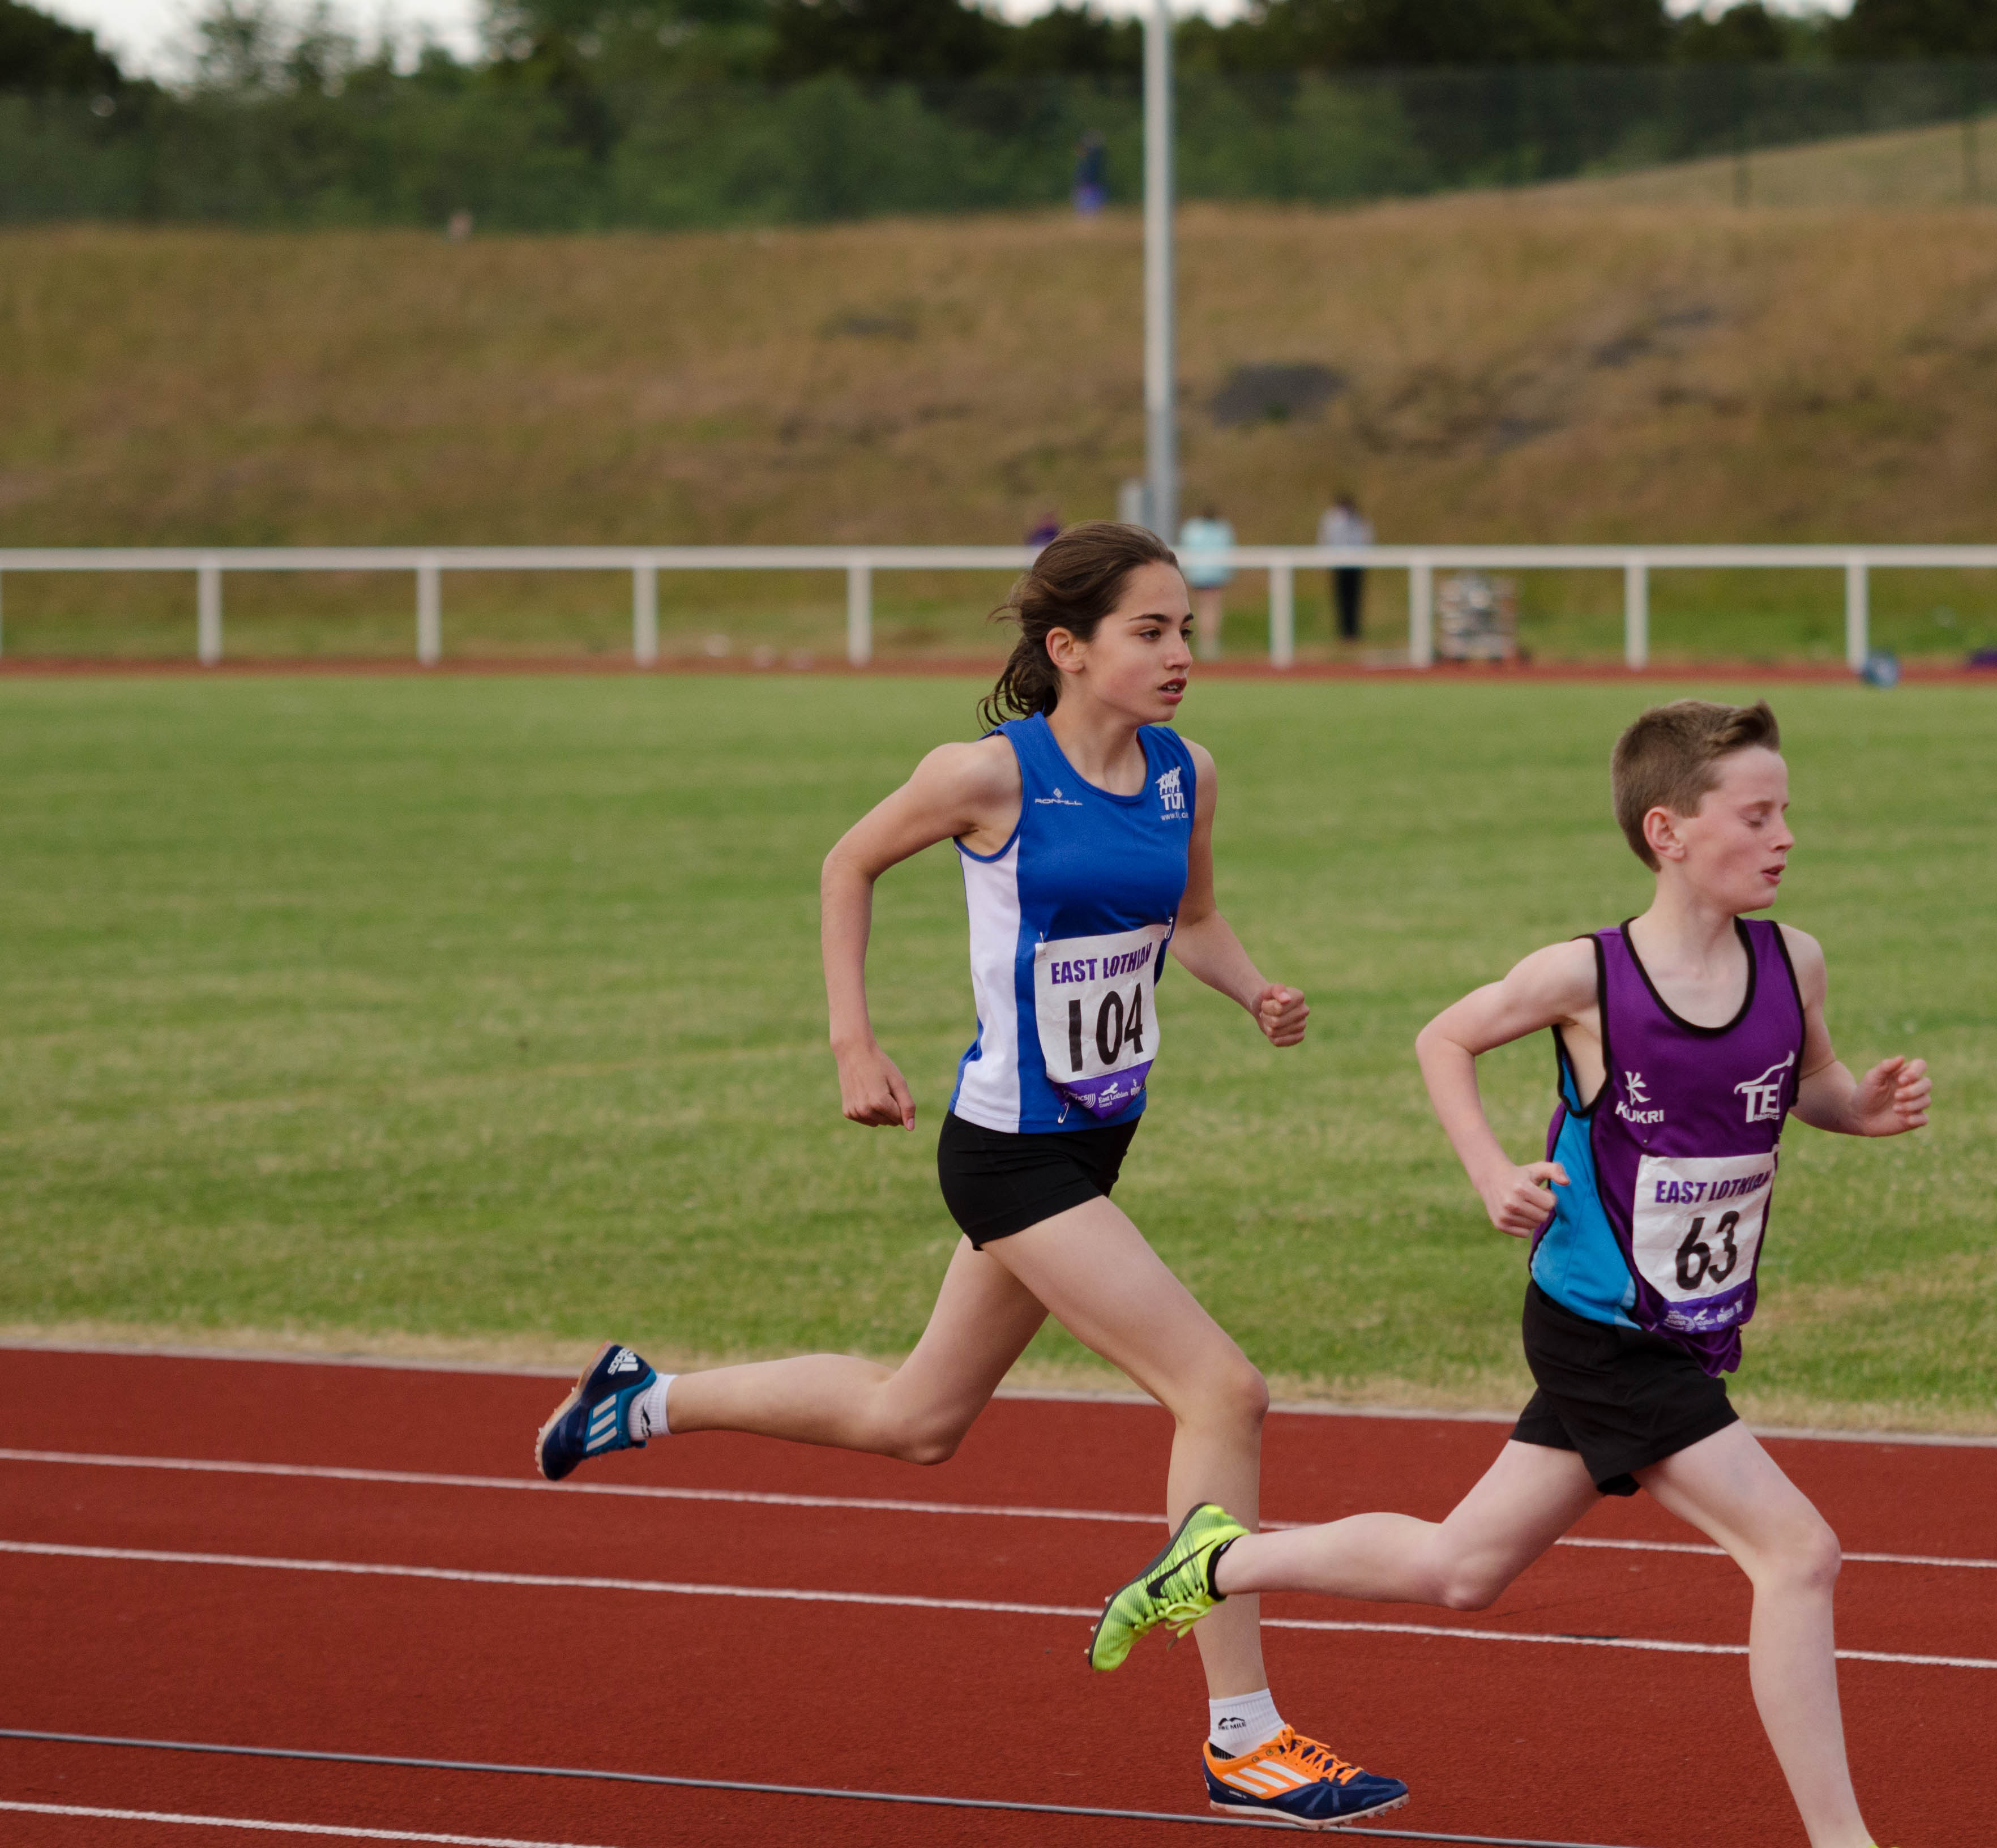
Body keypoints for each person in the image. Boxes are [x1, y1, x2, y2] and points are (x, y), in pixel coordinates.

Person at [532, 523, 1408, 1831]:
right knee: (1222, 1391)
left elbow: (1192, 920)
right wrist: (854, 1040)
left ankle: (640, 1399)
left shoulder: (1186, 774)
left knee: (917, 1419)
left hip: (1096, 1141)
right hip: (1008, 1154)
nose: (1181, 652)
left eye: (1185, 627)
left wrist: (1251, 988)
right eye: (1150, 631)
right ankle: (1244, 1736)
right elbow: (846, 864)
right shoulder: (987, 776)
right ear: (1070, 648)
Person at [1089, 699, 1929, 1848]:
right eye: (1755, 815)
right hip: (1601, 1329)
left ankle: (1217, 1558)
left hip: (1686, 1330)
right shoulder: (1585, 977)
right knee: (1797, 1551)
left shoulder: (1793, 963)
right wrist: (1491, 1169)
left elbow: (1809, 1084)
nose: (1784, 835)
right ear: (1667, 832)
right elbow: (1443, 1037)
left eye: (1786, 811)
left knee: (1461, 1567)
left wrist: (1858, 1109)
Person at [1176, 502, 1234, 662]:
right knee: (1211, 609)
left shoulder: (1192, 529)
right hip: (1215, 576)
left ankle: (1204, 644)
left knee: (1201, 609)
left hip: (1197, 576)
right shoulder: (1222, 529)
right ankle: (1208, 645)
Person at [1318, 491, 1370, 643]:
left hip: (1356, 563)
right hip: (1338, 563)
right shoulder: (1330, 519)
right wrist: (1324, 559)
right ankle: (1343, 633)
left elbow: (1366, 538)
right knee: (1341, 598)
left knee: (1355, 598)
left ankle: (1354, 632)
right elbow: (1325, 538)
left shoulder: (1359, 519)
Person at [1074, 132, 1108, 217]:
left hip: (1091, 185)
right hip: (1088, 185)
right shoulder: (1089, 160)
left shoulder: (1093, 158)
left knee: (1090, 209)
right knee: (1087, 210)